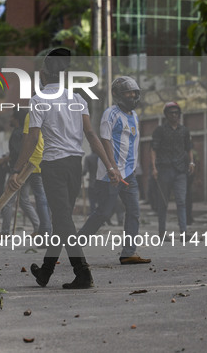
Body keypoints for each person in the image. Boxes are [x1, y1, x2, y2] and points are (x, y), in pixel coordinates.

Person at [8, 47, 120, 289]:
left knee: (62, 219)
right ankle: (46, 272)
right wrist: (109, 165)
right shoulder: (78, 98)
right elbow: (90, 134)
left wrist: (16, 169)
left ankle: (83, 272)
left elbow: (32, 137)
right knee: (62, 220)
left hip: (54, 166)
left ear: (42, 75)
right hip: (74, 166)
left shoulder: (38, 100)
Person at [78, 76, 151, 264]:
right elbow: (105, 141)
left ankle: (128, 252)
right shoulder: (110, 114)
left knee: (134, 211)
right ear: (118, 95)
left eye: (135, 92)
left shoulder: (134, 116)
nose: (132, 95)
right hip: (110, 174)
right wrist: (112, 167)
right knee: (103, 212)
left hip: (129, 174)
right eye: (128, 92)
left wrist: (132, 169)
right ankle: (75, 246)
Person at [151, 102, 194, 238]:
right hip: (164, 169)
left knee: (181, 201)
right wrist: (154, 168)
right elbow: (153, 149)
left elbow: (189, 148)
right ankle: (162, 232)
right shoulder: (160, 130)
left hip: (181, 170)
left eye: (176, 113)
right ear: (166, 115)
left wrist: (192, 162)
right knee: (163, 202)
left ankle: (183, 232)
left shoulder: (184, 131)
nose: (174, 115)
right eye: (171, 113)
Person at [0, 110, 41, 237]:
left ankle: (5, 231)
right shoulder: (23, 132)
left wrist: (15, 170)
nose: (10, 119)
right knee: (24, 201)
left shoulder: (17, 133)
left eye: (11, 116)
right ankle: (38, 227)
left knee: (8, 199)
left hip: (19, 172)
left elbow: (18, 152)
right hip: (26, 170)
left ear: (16, 119)